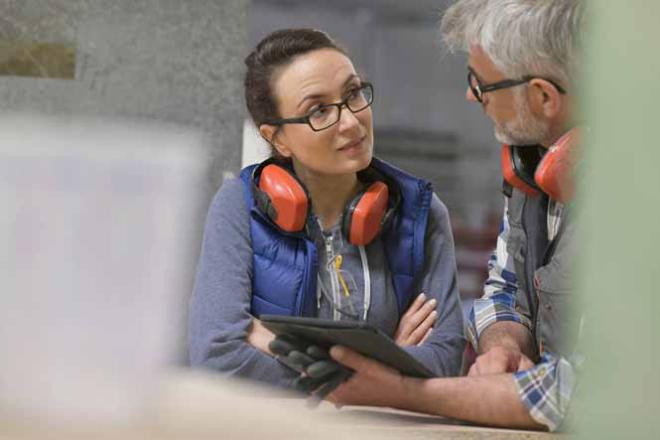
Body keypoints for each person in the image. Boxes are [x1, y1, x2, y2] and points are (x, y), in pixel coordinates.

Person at [326, 0, 584, 431]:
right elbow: (505, 287)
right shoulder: (532, 167)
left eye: (481, 84)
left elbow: (581, 393)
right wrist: (502, 344)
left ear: (542, 96)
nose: (470, 95)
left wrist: (401, 391)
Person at [188, 28, 465, 389]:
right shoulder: (239, 206)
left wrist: (273, 344)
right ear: (277, 138)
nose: (351, 122)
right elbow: (219, 358)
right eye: (318, 111)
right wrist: (385, 365)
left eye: (353, 94)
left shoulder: (420, 214)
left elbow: (444, 362)